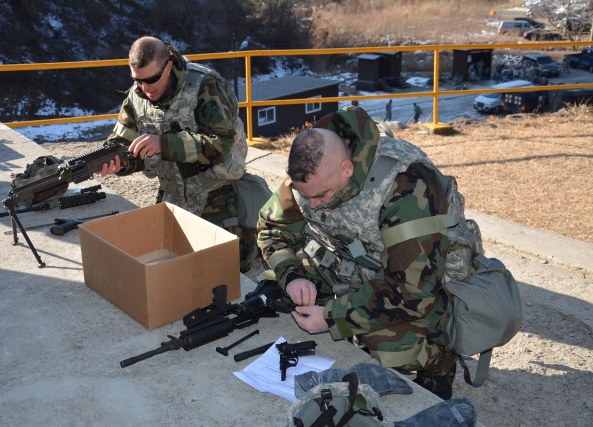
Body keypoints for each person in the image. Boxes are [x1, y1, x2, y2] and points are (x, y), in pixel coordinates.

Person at [257, 106, 458, 400]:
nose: (311, 206)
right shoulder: (311, 173)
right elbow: (273, 228)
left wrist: (332, 316)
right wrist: (292, 276)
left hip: (406, 284)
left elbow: (413, 291)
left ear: (346, 170)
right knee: (270, 290)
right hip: (346, 265)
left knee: (392, 348)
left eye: (321, 196)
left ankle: (436, 371)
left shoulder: (406, 190)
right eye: (306, 196)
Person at [100, 36, 269, 273]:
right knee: (167, 265)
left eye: (151, 79)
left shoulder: (205, 86)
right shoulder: (137, 95)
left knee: (229, 267)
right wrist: (119, 162)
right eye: (138, 80)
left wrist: (164, 143)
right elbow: (123, 141)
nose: (145, 88)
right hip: (173, 194)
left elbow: (220, 145)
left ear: (168, 66)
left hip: (217, 193)